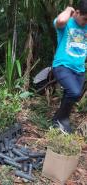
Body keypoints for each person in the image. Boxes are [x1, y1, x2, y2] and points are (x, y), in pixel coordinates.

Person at [52, 0, 87, 134]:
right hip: (62, 66)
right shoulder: (66, 24)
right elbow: (60, 20)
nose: (85, 22)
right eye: (85, 19)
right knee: (74, 92)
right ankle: (62, 119)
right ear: (77, 13)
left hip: (79, 70)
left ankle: (57, 121)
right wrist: (69, 9)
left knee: (72, 95)